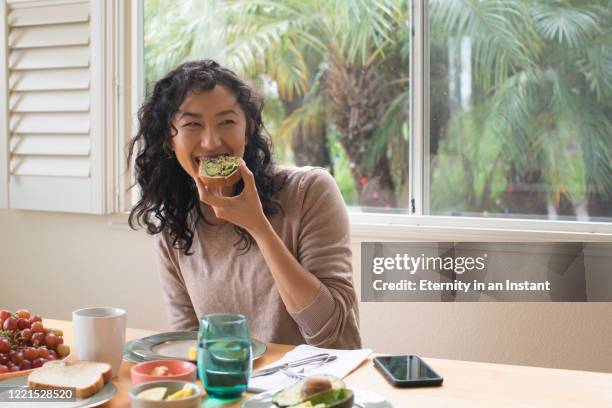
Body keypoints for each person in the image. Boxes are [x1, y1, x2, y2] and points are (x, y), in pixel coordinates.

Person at [128, 59, 361, 349]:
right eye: (192, 125)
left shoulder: (309, 191)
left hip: (322, 386)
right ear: (167, 139)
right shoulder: (175, 227)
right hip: (236, 388)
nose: (211, 142)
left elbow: (326, 331)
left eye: (226, 122)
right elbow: (190, 345)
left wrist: (258, 226)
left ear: (248, 129)